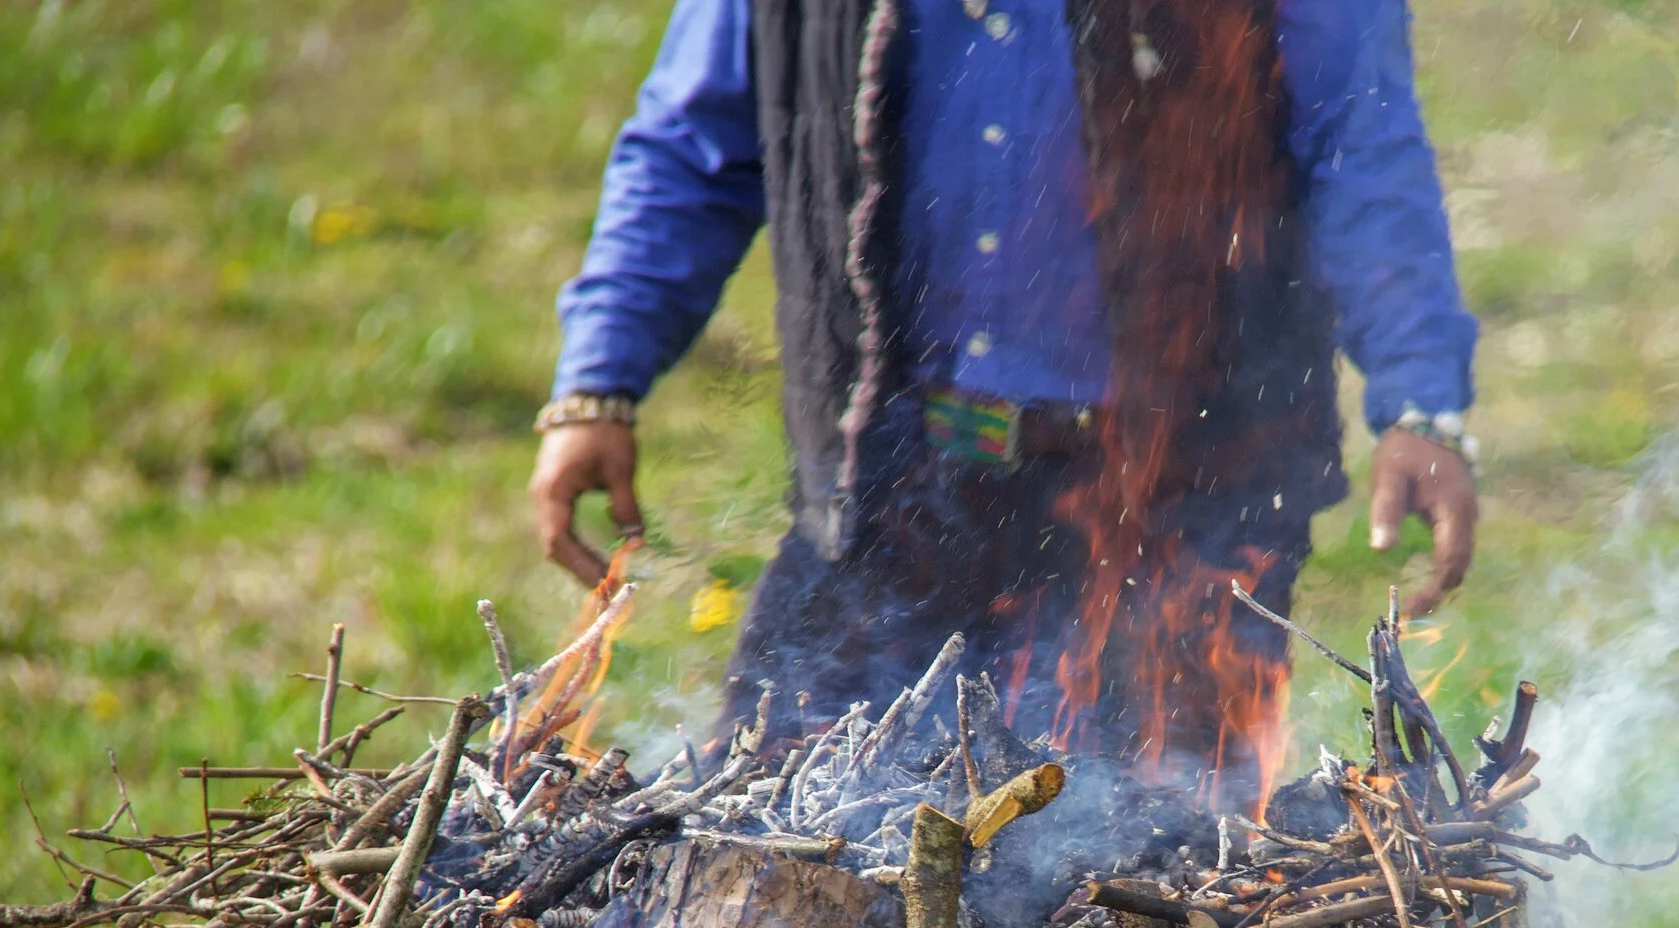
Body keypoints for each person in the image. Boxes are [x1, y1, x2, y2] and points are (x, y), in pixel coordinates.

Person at [527, 0, 1478, 806]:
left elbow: (1362, 140)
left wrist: (1421, 402)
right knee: (782, 840)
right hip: (888, 488)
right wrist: (598, 382)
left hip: (1175, 509)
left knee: (1151, 883)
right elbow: (692, 148)